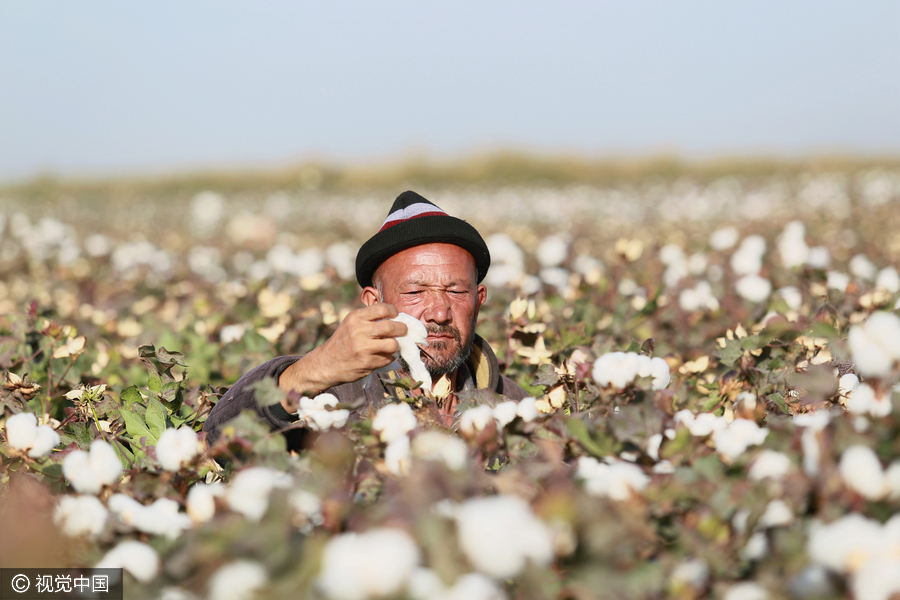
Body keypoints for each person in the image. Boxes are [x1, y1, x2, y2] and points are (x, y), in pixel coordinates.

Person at [203, 191, 529, 451]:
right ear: (375, 303)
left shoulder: (513, 406)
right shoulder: (333, 400)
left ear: (479, 299)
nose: (439, 312)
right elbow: (217, 440)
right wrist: (312, 370)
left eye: (456, 291)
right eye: (416, 291)